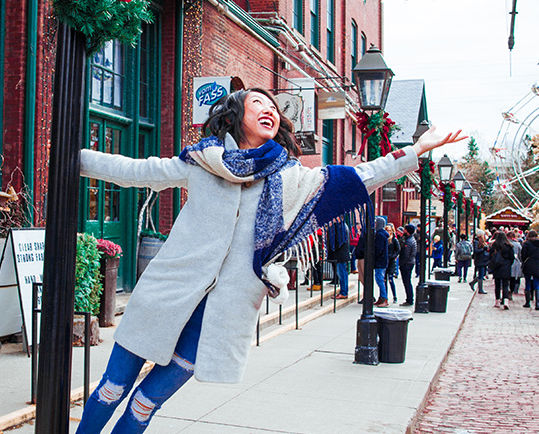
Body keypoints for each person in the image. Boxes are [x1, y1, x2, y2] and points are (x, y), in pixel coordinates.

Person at [76, 87, 464, 433]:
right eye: (257, 103)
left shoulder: (291, 177)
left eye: (273, 107)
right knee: (112, 389)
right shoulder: (202, 163)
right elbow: (135, 170)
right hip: (164, 295)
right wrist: (73, 156)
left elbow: (358, 177)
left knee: (146, 404)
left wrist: (415, 151)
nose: (269, 110)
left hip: (221, 314)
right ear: (233, 116)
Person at [489, 231, 514, 309]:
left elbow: (491, 256)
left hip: (497, 266)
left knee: (497, 285)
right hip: (506, 266)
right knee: (505, 284)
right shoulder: (509, 246)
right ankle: (505, 300)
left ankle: (497, 301)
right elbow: (512, 257)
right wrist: (509, 264)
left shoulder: (494, 245)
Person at [521, 230, 539, 310]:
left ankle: (528, 302)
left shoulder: (526, 244)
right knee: (536, 284)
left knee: (528, 283)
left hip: (528, 264)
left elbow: (523, 255)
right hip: (538, 265)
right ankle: (537, 304)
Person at [326, 221, 351, 300]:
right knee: (342, 273)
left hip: (340, 254)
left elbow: (338, 241)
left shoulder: (340, 227)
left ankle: (343, 292)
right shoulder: (342, 226)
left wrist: (332, 249)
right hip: (340, 254)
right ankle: (343, 291)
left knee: (341, 273)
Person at [398, 224, 417, 306]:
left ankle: (409, 299)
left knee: (407, 282)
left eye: (405, 230)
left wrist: (401, 263)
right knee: (407, 282)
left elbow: (406, 254)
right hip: (409, 263)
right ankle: (409, 298)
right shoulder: (410, 239)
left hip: (407, 264)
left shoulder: (408, 242)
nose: (404, 231)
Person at [373, 217, 390, 307]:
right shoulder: (382, 234)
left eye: (376, 223)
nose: (374, 225)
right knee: (380, 279)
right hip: (382, 260)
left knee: (379, 279)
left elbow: (378, 248)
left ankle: (384, 298)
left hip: (380, 260)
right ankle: (381, 297)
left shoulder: (380, 235)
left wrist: (373, 255)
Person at [469, 229, 489, 294]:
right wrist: (483, 249)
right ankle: (480, 289)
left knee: (482, 274)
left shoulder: (482, 242)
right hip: (479, 260)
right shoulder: (476, 242)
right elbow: (476, 251)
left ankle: (473, 283)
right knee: (481, 274)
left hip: (483, 259)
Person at [385, 223, 401, 303]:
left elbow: (398, 250)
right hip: (384, 261)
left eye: (389, 230)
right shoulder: (384, 239)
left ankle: (394, 296)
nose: (388, 232)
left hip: (391, 261)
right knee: (384, 280)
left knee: (390, 279)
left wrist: (393, 256)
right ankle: (385, 296)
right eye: (387, 230)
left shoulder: (394, 240)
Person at [507, 230, 523, 299]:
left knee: (506, 279)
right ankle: (511, 290)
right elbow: (520, 254)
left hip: (507, 263)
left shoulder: (506, 243)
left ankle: (507, 290)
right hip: (515, 263)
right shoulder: (517, 244)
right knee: (513, 279)